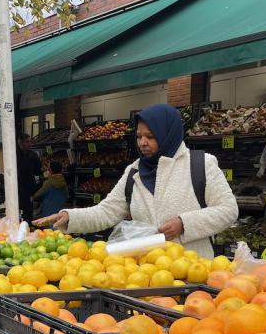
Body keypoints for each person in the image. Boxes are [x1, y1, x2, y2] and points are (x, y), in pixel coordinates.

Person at [33, 103, 237, 257]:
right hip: (145, 277)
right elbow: (107, 211)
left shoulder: (200, 164)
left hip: (193, 273)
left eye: (150, 136)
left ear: (168, 134)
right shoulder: (135, 171)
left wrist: (184, 223)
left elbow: (228, 210)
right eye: (139, 136)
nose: (143, 143)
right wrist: (70, 217)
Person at [16, 133, 43, 222]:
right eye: (27, 142)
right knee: (18, 209)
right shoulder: (14, 155)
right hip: (18, 187)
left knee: (28, 210)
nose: (29, 144)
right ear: (20, 143)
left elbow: (38, 170)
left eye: (29, 142)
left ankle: (28, 225)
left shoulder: (33, 155)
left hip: (29, 188)